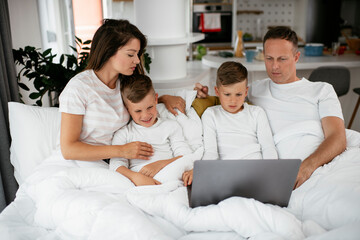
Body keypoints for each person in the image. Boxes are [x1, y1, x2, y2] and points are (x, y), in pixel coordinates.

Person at [194, 26, 346, 189]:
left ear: (296, 57)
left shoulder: (322, 90)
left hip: (314, 170)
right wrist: (197, 96)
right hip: (270, 174)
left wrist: (306, 168)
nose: (274, 66)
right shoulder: (254, 89)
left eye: (282, 59)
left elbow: (338, 138)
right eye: (269, 58)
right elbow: (229, 99)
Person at [59, 19, 186, 171]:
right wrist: (122, 150)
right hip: (79, 164)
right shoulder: (79, 88)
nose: (137, 60)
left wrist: (165, 98)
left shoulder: (124, 83)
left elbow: (140, 103)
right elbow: (68, 150)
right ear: (109, 51)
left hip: (112, 164)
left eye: (137, 54)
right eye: (131, 54)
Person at [182, 61, 278, 186]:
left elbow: (268, 147)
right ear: (217, 91)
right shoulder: (210, 114)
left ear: (246, 91)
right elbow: (211, 152)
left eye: (238, 94)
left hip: (254, 171)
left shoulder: (257, 113)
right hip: (225, 173)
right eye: (227, 94)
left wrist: (272, 173)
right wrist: (200, 170)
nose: (233, 100)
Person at [110, 74, 195, 186]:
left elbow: (185, 156)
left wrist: (160, 164)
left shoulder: (171, 126)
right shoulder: (123, 134)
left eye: (149, 107)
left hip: (170, 173)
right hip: (140, 180)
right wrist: (136, 177)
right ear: (127, 109)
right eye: (138, 111)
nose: (145, 115)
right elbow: (116, 165)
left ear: (156, 99)